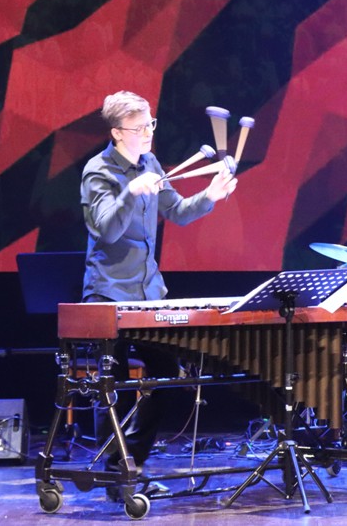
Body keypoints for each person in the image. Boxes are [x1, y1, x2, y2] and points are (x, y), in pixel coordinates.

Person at [80, 90, 237, 494]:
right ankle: (116, 476)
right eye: (139, 127)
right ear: (117, 132)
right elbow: (106, 231)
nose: (149, 132)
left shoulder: (150, 163)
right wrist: (130, 193)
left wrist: (210, 196)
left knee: (166, 376)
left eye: (150, 123)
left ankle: (130, 462)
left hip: (149, 295)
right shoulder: (98, 172)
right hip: (108, 295)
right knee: (112, 387)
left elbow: (178, 211)